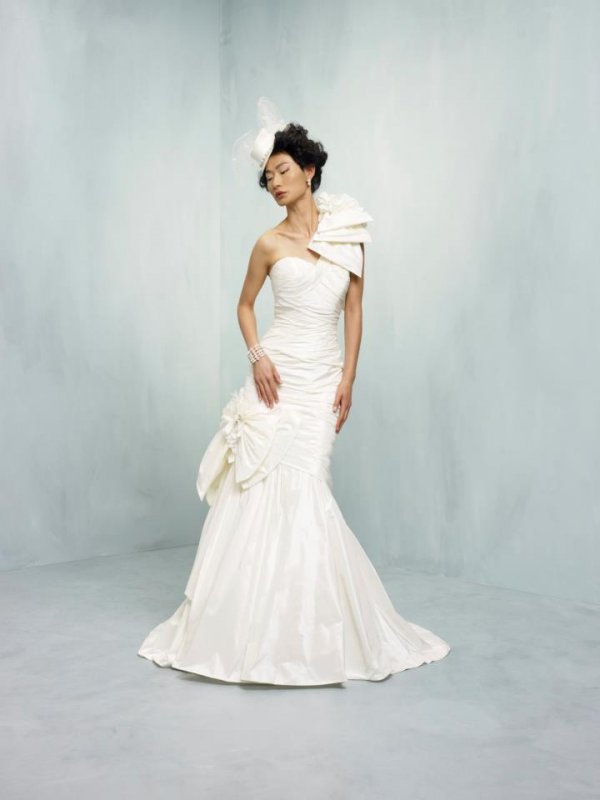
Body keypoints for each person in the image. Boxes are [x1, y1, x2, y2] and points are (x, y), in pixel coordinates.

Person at [137, 100, 451, 685]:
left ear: (309, 170)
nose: (275, 183)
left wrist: (349, 376)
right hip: (276, 376)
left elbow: (354, 309)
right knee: (257, 489)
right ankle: (247, 630)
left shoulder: (349, 234)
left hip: (321, 379)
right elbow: (244, 306)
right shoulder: (268, 243)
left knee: (309, 484)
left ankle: (310, 629)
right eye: (267, 177)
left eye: (283, 170)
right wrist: (257, 357)